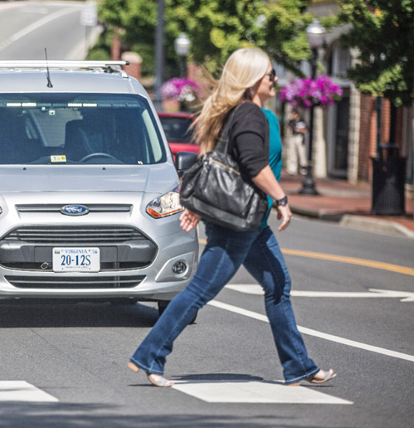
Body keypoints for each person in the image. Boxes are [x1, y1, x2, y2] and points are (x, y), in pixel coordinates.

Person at [128, 47, 336, 388]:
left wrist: (198, 206)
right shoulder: (250, 114)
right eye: (270, 74)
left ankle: (298, 366)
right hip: (237, 221)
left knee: (278, 286)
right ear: (254, 80)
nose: (275, 80)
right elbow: (254, 165)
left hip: (248, 222)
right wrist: (282, 198)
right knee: (199, 291)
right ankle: (149, 356)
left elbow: (218, 162)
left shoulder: (236, 113)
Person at [286, 108, 308, 175]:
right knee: (293, 153)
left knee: (301, 153)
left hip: (299, 137)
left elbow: (306, 129)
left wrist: (300, 130)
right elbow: (288, 128)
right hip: (293, 137)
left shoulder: (301, 121)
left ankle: (303, 169)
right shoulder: (291, 121)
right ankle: (293, 169)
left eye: (294, 114)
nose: (293, 115)